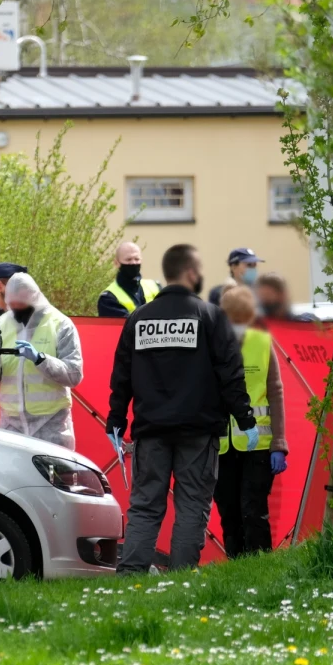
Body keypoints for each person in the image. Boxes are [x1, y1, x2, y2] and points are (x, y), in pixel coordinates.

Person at [107, 244, 258, 573]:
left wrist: (115, 420)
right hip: (198, 432)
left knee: (145, 507)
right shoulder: (210, 316)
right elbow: (231, 375)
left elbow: (121, 376)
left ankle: (130, 577)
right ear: (191, 272)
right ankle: (180, 581)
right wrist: (246, 419)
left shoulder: (138, 319)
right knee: (191, 506)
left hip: (151, 431)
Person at [214, 286, 289, 556]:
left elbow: (275, 392)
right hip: (222, 445)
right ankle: (237, 567)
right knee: (229, 512)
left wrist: (279, 443)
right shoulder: (211, 344)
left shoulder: (262, 342)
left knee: (253, 510)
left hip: (259, 445)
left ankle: (260, 566)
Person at [0, 272, 84, 449]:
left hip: (51, 426)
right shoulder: (0, 325)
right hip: (11, 426)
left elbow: (74, 375)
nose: (17, 312)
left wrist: (41, 359)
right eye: (13, 306)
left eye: (22, 306)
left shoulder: (60, 324)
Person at [98, 241, 160, 317]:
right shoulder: (108, 298)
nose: (133, 263)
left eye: (137, 259)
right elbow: (126, 323)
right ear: (116, 263)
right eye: (128, 259)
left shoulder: (156, 287)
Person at [255, 272, 320, 323]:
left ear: (282, 295)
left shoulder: (306, 322)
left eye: (268, 295)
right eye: (261, 296)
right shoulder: (258, 325)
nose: (263, 300)